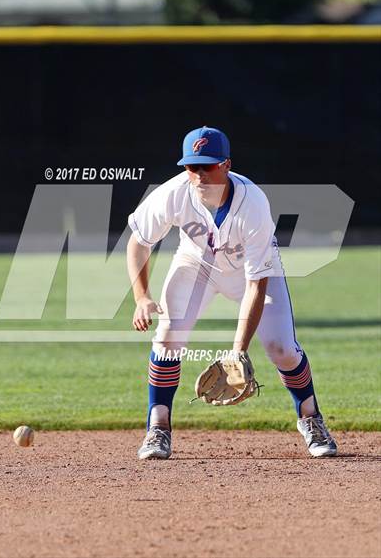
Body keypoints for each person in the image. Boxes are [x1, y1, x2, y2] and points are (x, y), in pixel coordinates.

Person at [127, 126, 337, 460]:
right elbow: (138, 242)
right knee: (167, 339)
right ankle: (158, 427)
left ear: (226, 164)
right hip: (196, 266)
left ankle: (311, 418)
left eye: (207, 166)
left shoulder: (252, 202)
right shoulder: (173, 193)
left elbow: (256, 283)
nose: (198, 175)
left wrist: (238, 351)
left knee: (281, 348)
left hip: (248, 274)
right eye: (192, 166)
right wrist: (141, 296)